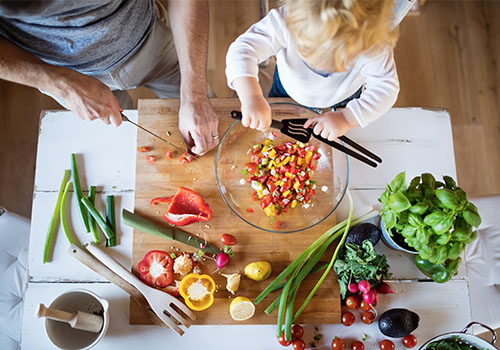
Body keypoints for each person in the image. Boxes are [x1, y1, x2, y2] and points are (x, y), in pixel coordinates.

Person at [0, 0, 218, 155]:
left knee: (206, 123)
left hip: (149, 39)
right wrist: (63, 85)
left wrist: (195, 94)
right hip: (60, 72)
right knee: (122, 144)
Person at [225, 0, 400, 141]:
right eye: (310, 50)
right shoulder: (287, 20)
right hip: (287, 90)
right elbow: (243, 49)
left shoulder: (373, 44)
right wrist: (252, 96)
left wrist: (348, 118)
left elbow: (386, 88)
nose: (322, 68)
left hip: (343, 100)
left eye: (338, 61)